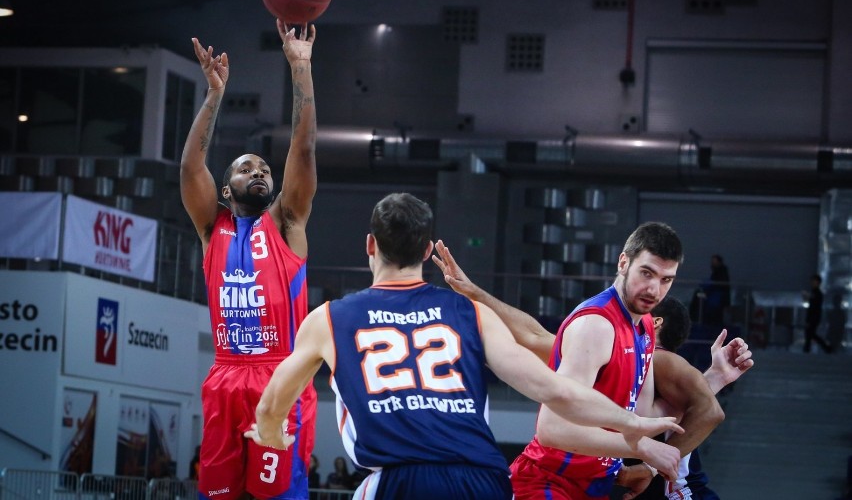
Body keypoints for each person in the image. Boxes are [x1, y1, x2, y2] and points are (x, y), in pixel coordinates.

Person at [245, 193, 683, 500]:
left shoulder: (327, 318)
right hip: (484, 481)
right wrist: (635, 428)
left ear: (370, 246)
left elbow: (270, 407)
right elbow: (558, 391)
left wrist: (271, 436)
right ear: (426, 249)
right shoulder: (473, 314)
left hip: (401, 479)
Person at [435, 224, 735, 500]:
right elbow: (552, 430)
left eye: (665, 280)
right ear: (623, 263)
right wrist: (641, 447)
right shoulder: (596, 326)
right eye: (647, 273)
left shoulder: (642, 326)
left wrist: (713, 379)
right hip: (548, 481)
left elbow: (641, 414)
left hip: (595, 484)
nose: (654, 289)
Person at [180, 20, 319, 500]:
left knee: (277, 494)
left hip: (278, 374)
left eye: (263, 168)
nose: (258, 171)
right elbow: (190, 167)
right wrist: (214, 95)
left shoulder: (286, 224)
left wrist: (300, 68)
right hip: (224, 375)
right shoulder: (210, 228)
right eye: (245, 168)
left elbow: (302, 147)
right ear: (226, 189)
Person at [612, 297, 754, 500]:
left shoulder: (659, 358)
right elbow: (679, 414)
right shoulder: (643, 362)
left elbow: (710, 412)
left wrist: (651, 467)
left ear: (654, 322)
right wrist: (714, 378)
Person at [804, 274, 832, 353]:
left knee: (810, 334)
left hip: (814, 316)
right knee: (810, 334)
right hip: (814, 316)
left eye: (813, 281)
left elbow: (814, 306)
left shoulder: (817, 293)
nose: (812, 283)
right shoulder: (815, 292)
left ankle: (826, 348)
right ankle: (826, 348)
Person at [700, 255, 730, 327]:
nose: (712, 263)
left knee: (715, 318)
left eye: (714, 261)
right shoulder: (717, 272)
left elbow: (719, 284)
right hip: (715, 299)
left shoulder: (721, 273)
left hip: (717, 299)